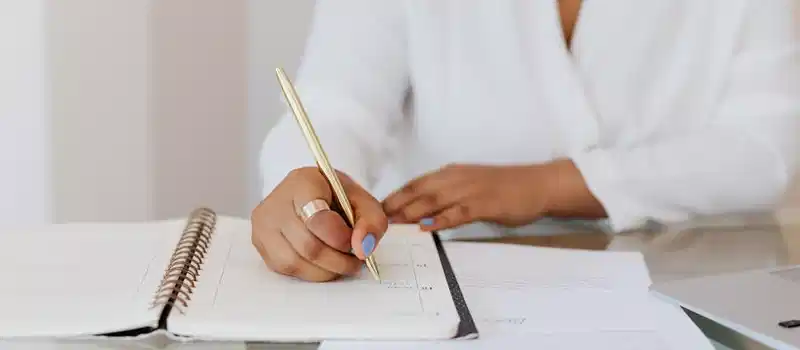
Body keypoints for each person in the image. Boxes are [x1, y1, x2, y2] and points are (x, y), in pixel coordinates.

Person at [252, 0, 800, 282]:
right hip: (438, 287)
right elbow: (335, 108)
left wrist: (551, 184)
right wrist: (311, 189)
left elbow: (764, 149)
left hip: (690, 286)